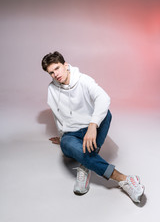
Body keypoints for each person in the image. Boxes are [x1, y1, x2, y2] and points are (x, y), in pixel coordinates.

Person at [41, 51, 145, 203]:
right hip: (72, 134)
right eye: (51, 72)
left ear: (65, 65)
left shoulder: (84, 80)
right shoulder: (52, 90)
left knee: (106, 114)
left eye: (57, 68)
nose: (55, 74)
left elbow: (103, 98)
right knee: (66, 143)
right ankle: (125, 179)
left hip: (91, 129)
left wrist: (92, 126)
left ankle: (86, 165)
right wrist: (62, 135)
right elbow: (57, 116)